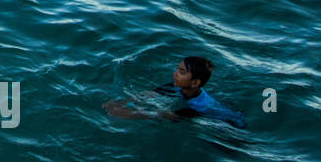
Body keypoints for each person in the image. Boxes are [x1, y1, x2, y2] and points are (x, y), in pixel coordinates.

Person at [105, 56, 245, 128]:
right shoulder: (178, 86)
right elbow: (150, 94)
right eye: (178, 69)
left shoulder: (195, 108)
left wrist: (123, 114)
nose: (175, 74)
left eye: (182, 72)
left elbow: (161, 115)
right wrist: (122, 102)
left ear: (195, 83)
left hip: (230, 125)